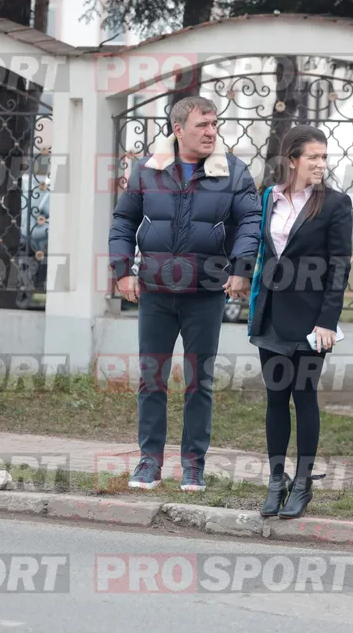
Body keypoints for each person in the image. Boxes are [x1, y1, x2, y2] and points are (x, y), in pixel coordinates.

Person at [109, 96, 262, 492]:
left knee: (199, 383)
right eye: (202, 125)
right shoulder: (148, 169)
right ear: (178, 130)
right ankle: (149, 462)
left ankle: (194, 466)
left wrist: (241, 268)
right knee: (152, 380)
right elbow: (123, 220)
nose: (211, 132)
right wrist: (122, 271)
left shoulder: (233, 171)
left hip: (205, 292)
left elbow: (251, 221)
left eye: (214, 124)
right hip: (156, 292)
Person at [248, 125, 353, 519]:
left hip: (311, 323)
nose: (321, 164)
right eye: (313, 157)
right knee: (276, 398)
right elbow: (263, 252)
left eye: (324, 157)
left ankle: (303, 483)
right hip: (271, 316)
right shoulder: (270, 197)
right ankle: (277, 481)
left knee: (303, 396)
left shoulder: (335, 203)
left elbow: (339, 267)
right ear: (292, 159)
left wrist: (327, 321)